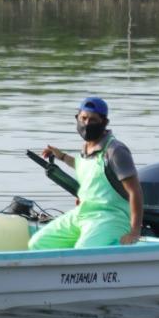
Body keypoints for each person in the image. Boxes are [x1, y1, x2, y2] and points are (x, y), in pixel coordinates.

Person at [28, 96, 143, 250]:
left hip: (110, 217)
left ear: (104, 122)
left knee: (82, 252)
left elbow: (135, 191)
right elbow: (85, 167)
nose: (87, 124)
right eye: (83, 118)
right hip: (82, 214)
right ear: (77, 118)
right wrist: (61, 156)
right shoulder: (85, 149)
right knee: (38, 243)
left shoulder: (115, 150)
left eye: (93, 120)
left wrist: (135, 231)